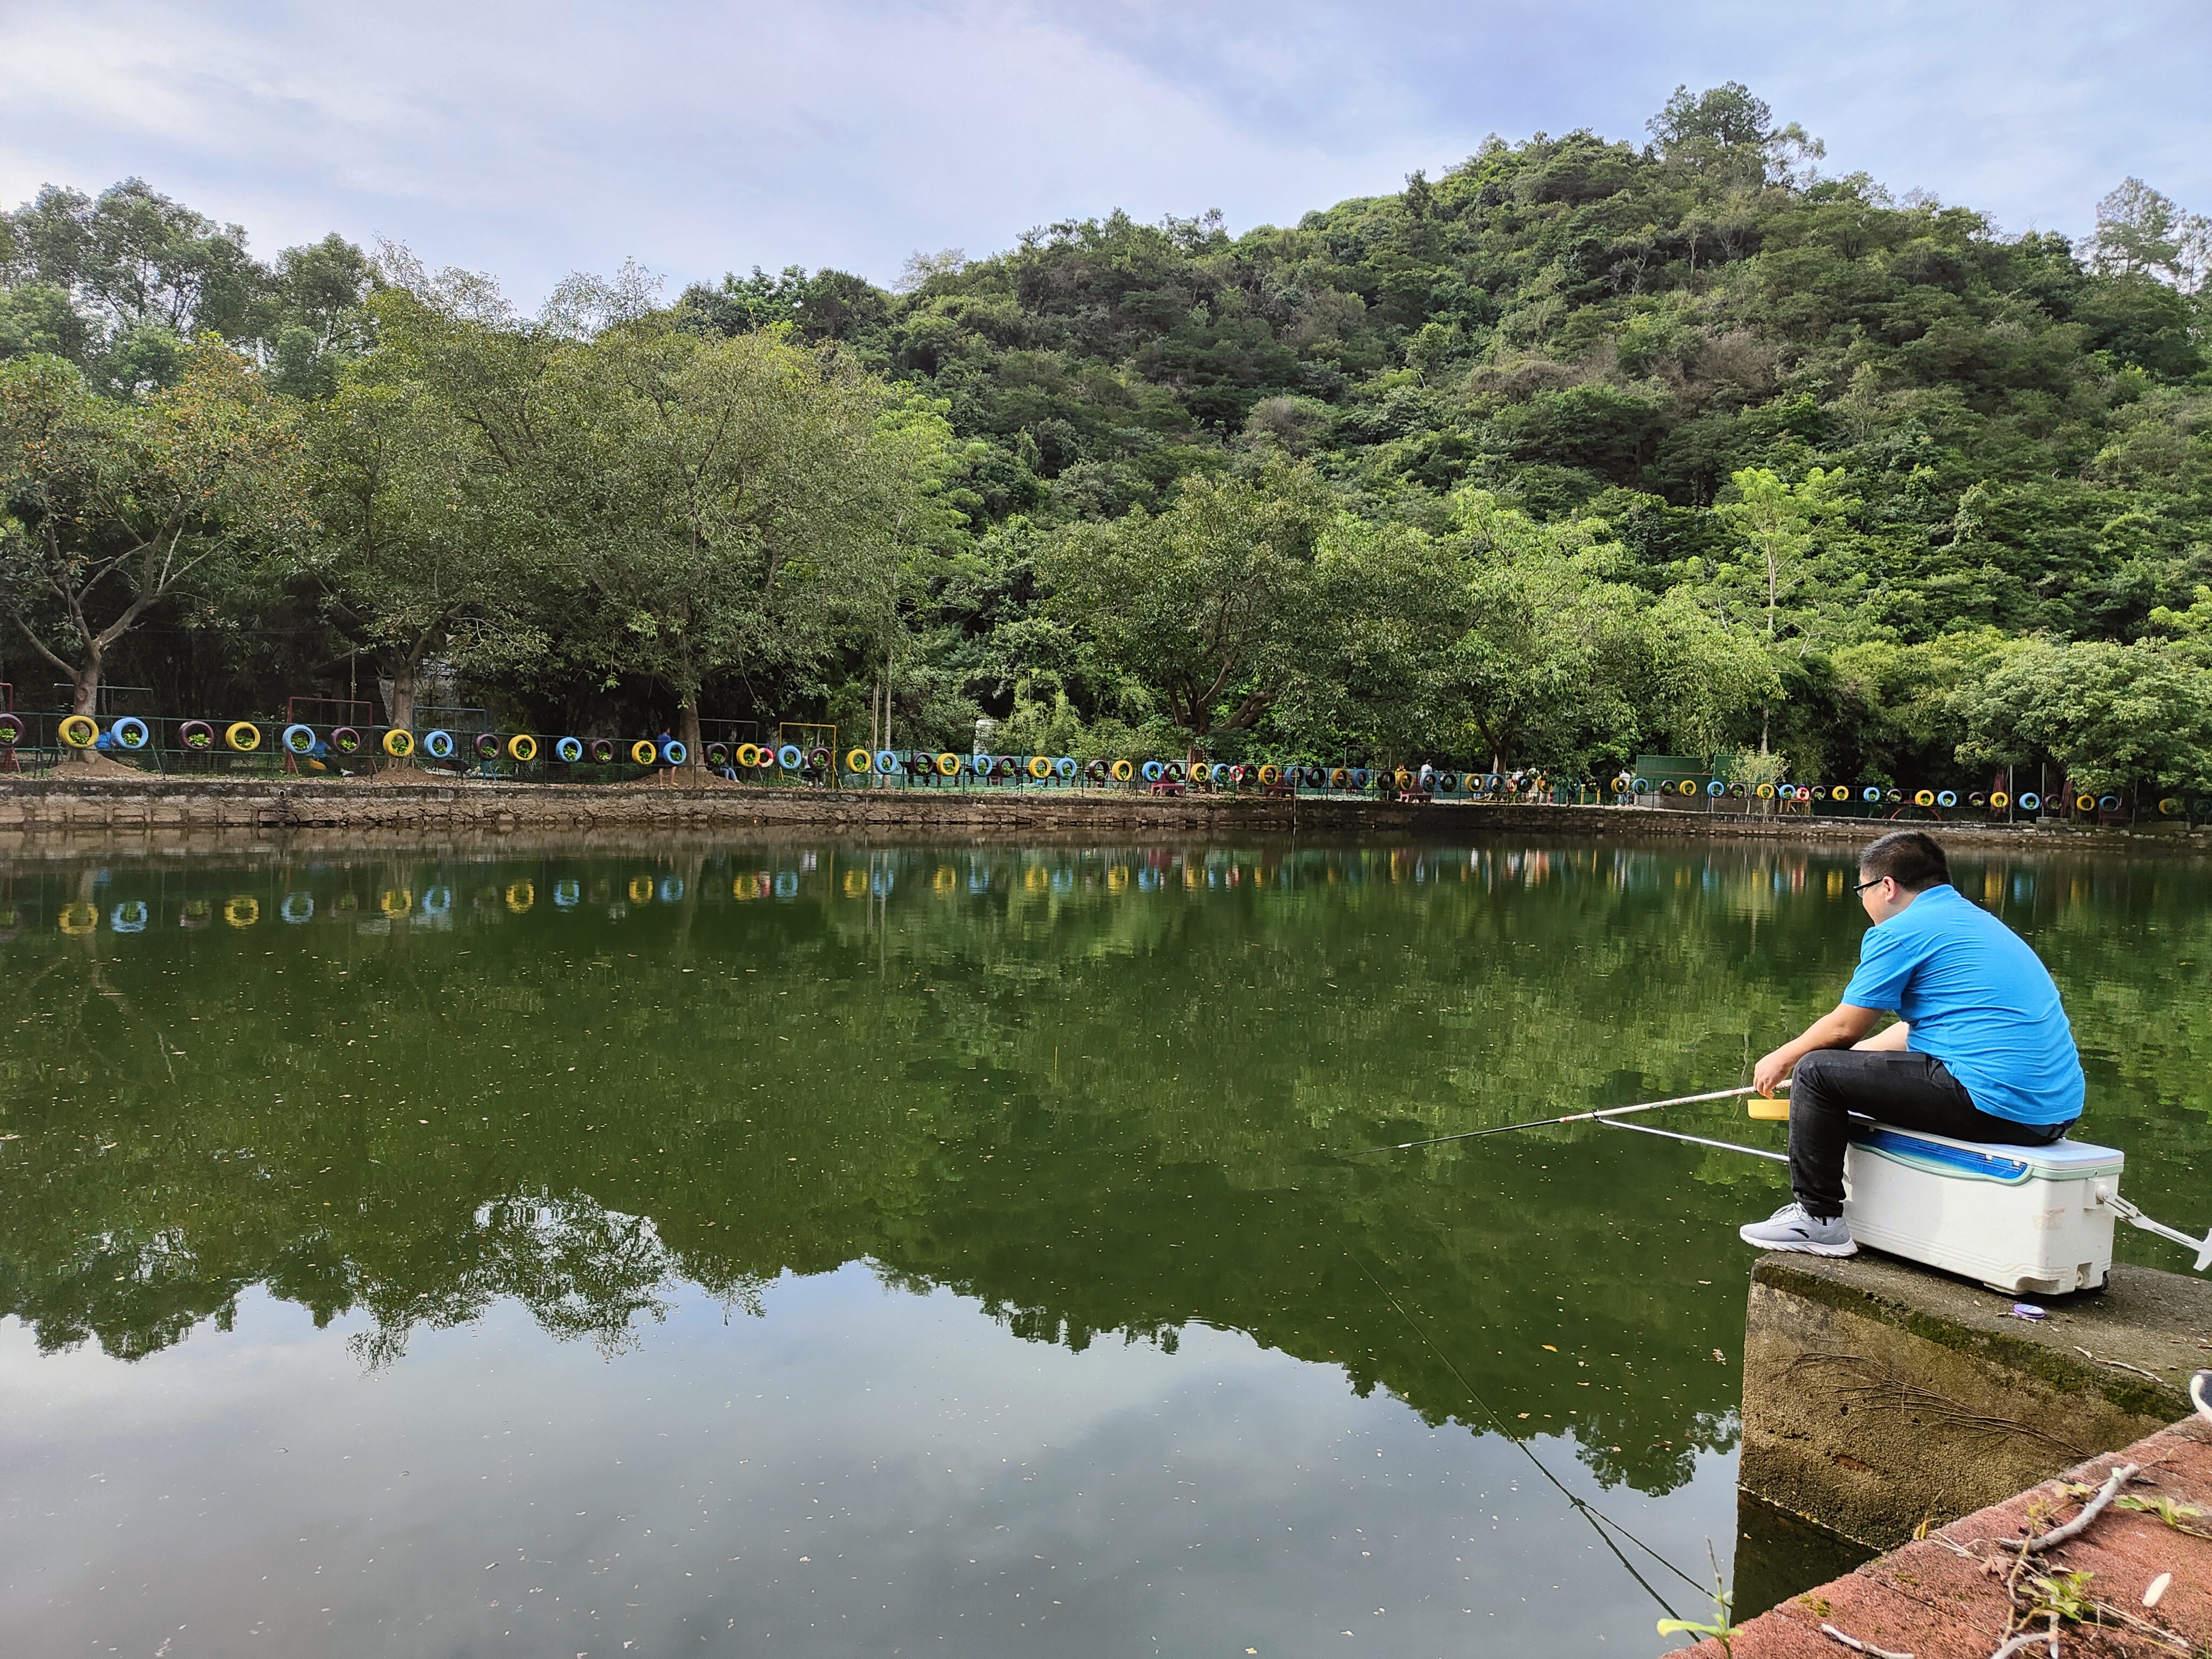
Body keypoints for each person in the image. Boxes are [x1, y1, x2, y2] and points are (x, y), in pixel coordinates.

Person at [1739, 830, 2085, 1257]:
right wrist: (1841, 1066)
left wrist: (1786, 1058)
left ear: (1886, 886)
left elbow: (1845, 1028)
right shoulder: (1976, 922)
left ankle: (1819, 1220)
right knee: (1828, 1069)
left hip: (1995, 1104)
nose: (1863, 902)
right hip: (2051, 1114)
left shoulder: (1902, 931)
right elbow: (1906, 1033)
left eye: (1861, 890)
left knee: (1814, 1071)